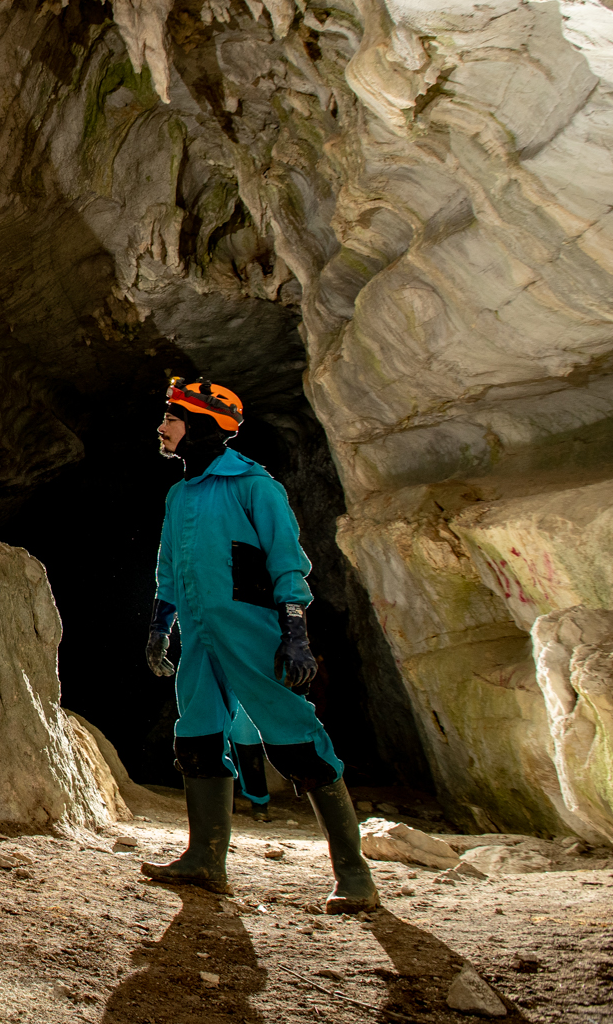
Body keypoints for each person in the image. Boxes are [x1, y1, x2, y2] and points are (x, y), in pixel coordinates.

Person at [140, 377, 377, 914]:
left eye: (172, 418)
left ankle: (355, 874)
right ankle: (205, 859)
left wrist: (295, 633)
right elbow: (169, 569)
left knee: (295, 741)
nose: (163, 427)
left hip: (252, 632)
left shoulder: (254, 485)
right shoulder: (180, 494)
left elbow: (286, 560)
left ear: (199, 426)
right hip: (200, 637)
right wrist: (161, 625)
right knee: (196, 738)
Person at [228, 704, 271, 823]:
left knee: (247, 738)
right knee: (217, 737)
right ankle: (225, 799)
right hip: (214, 688)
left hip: (241, 691)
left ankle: (259, 800)